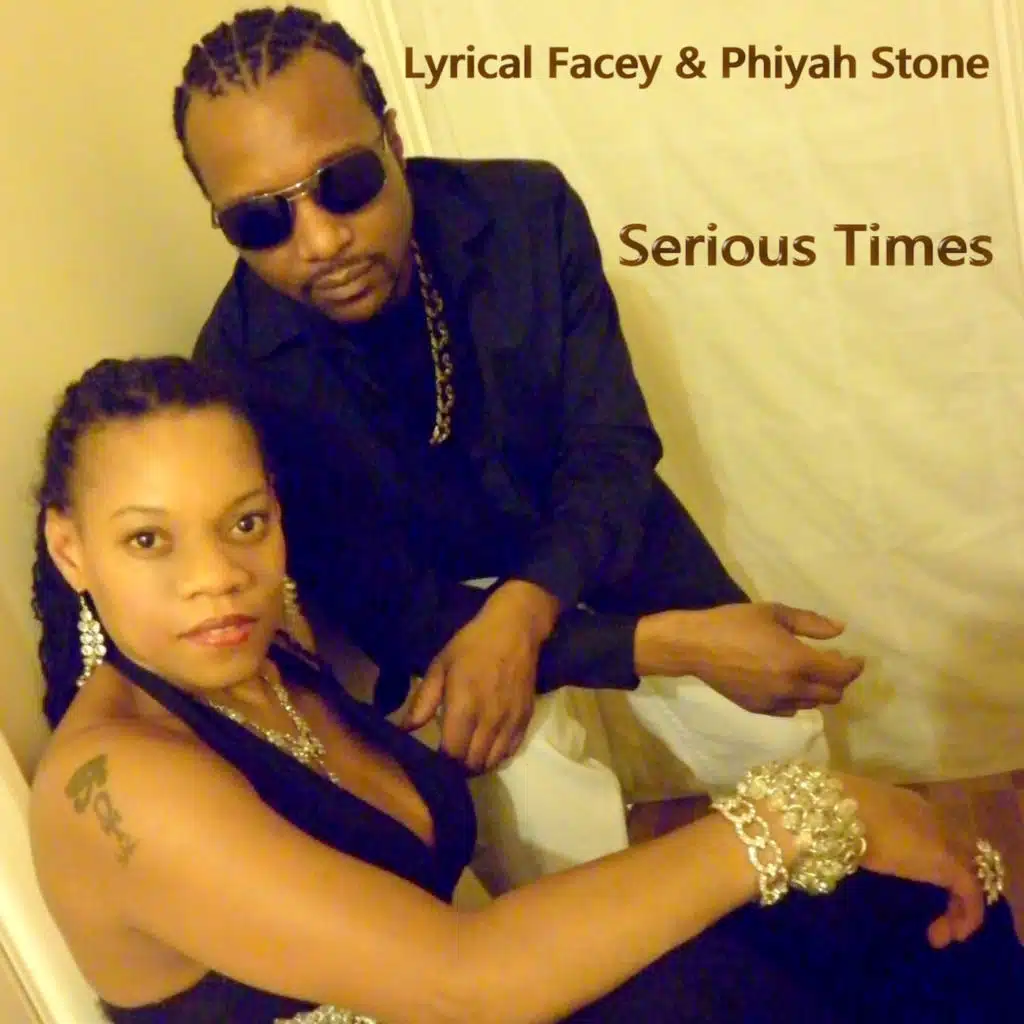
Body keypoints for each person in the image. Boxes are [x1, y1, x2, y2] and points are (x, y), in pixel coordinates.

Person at [27, 355, 1023, 1023]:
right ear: (71, 550)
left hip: (470, 985)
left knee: (887, 903)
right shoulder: (116, 784)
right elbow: (464, 978)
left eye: (244, 522)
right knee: (747, 971)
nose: (216, 575)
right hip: (465, 989)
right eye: (149, 539)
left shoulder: (259, 648)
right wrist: (805, 812)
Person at [181, 5, 866, 865]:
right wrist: (665, 645)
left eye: (345, 181)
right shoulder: (239, 377)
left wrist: (530, 605)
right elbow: (387, 605)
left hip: (599, 541)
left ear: (392, 139)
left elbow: (612, 445)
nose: (320, 240)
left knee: (782, 748)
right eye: (259, 221)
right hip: (443, 620)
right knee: (542, 819)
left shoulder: (525, 213)